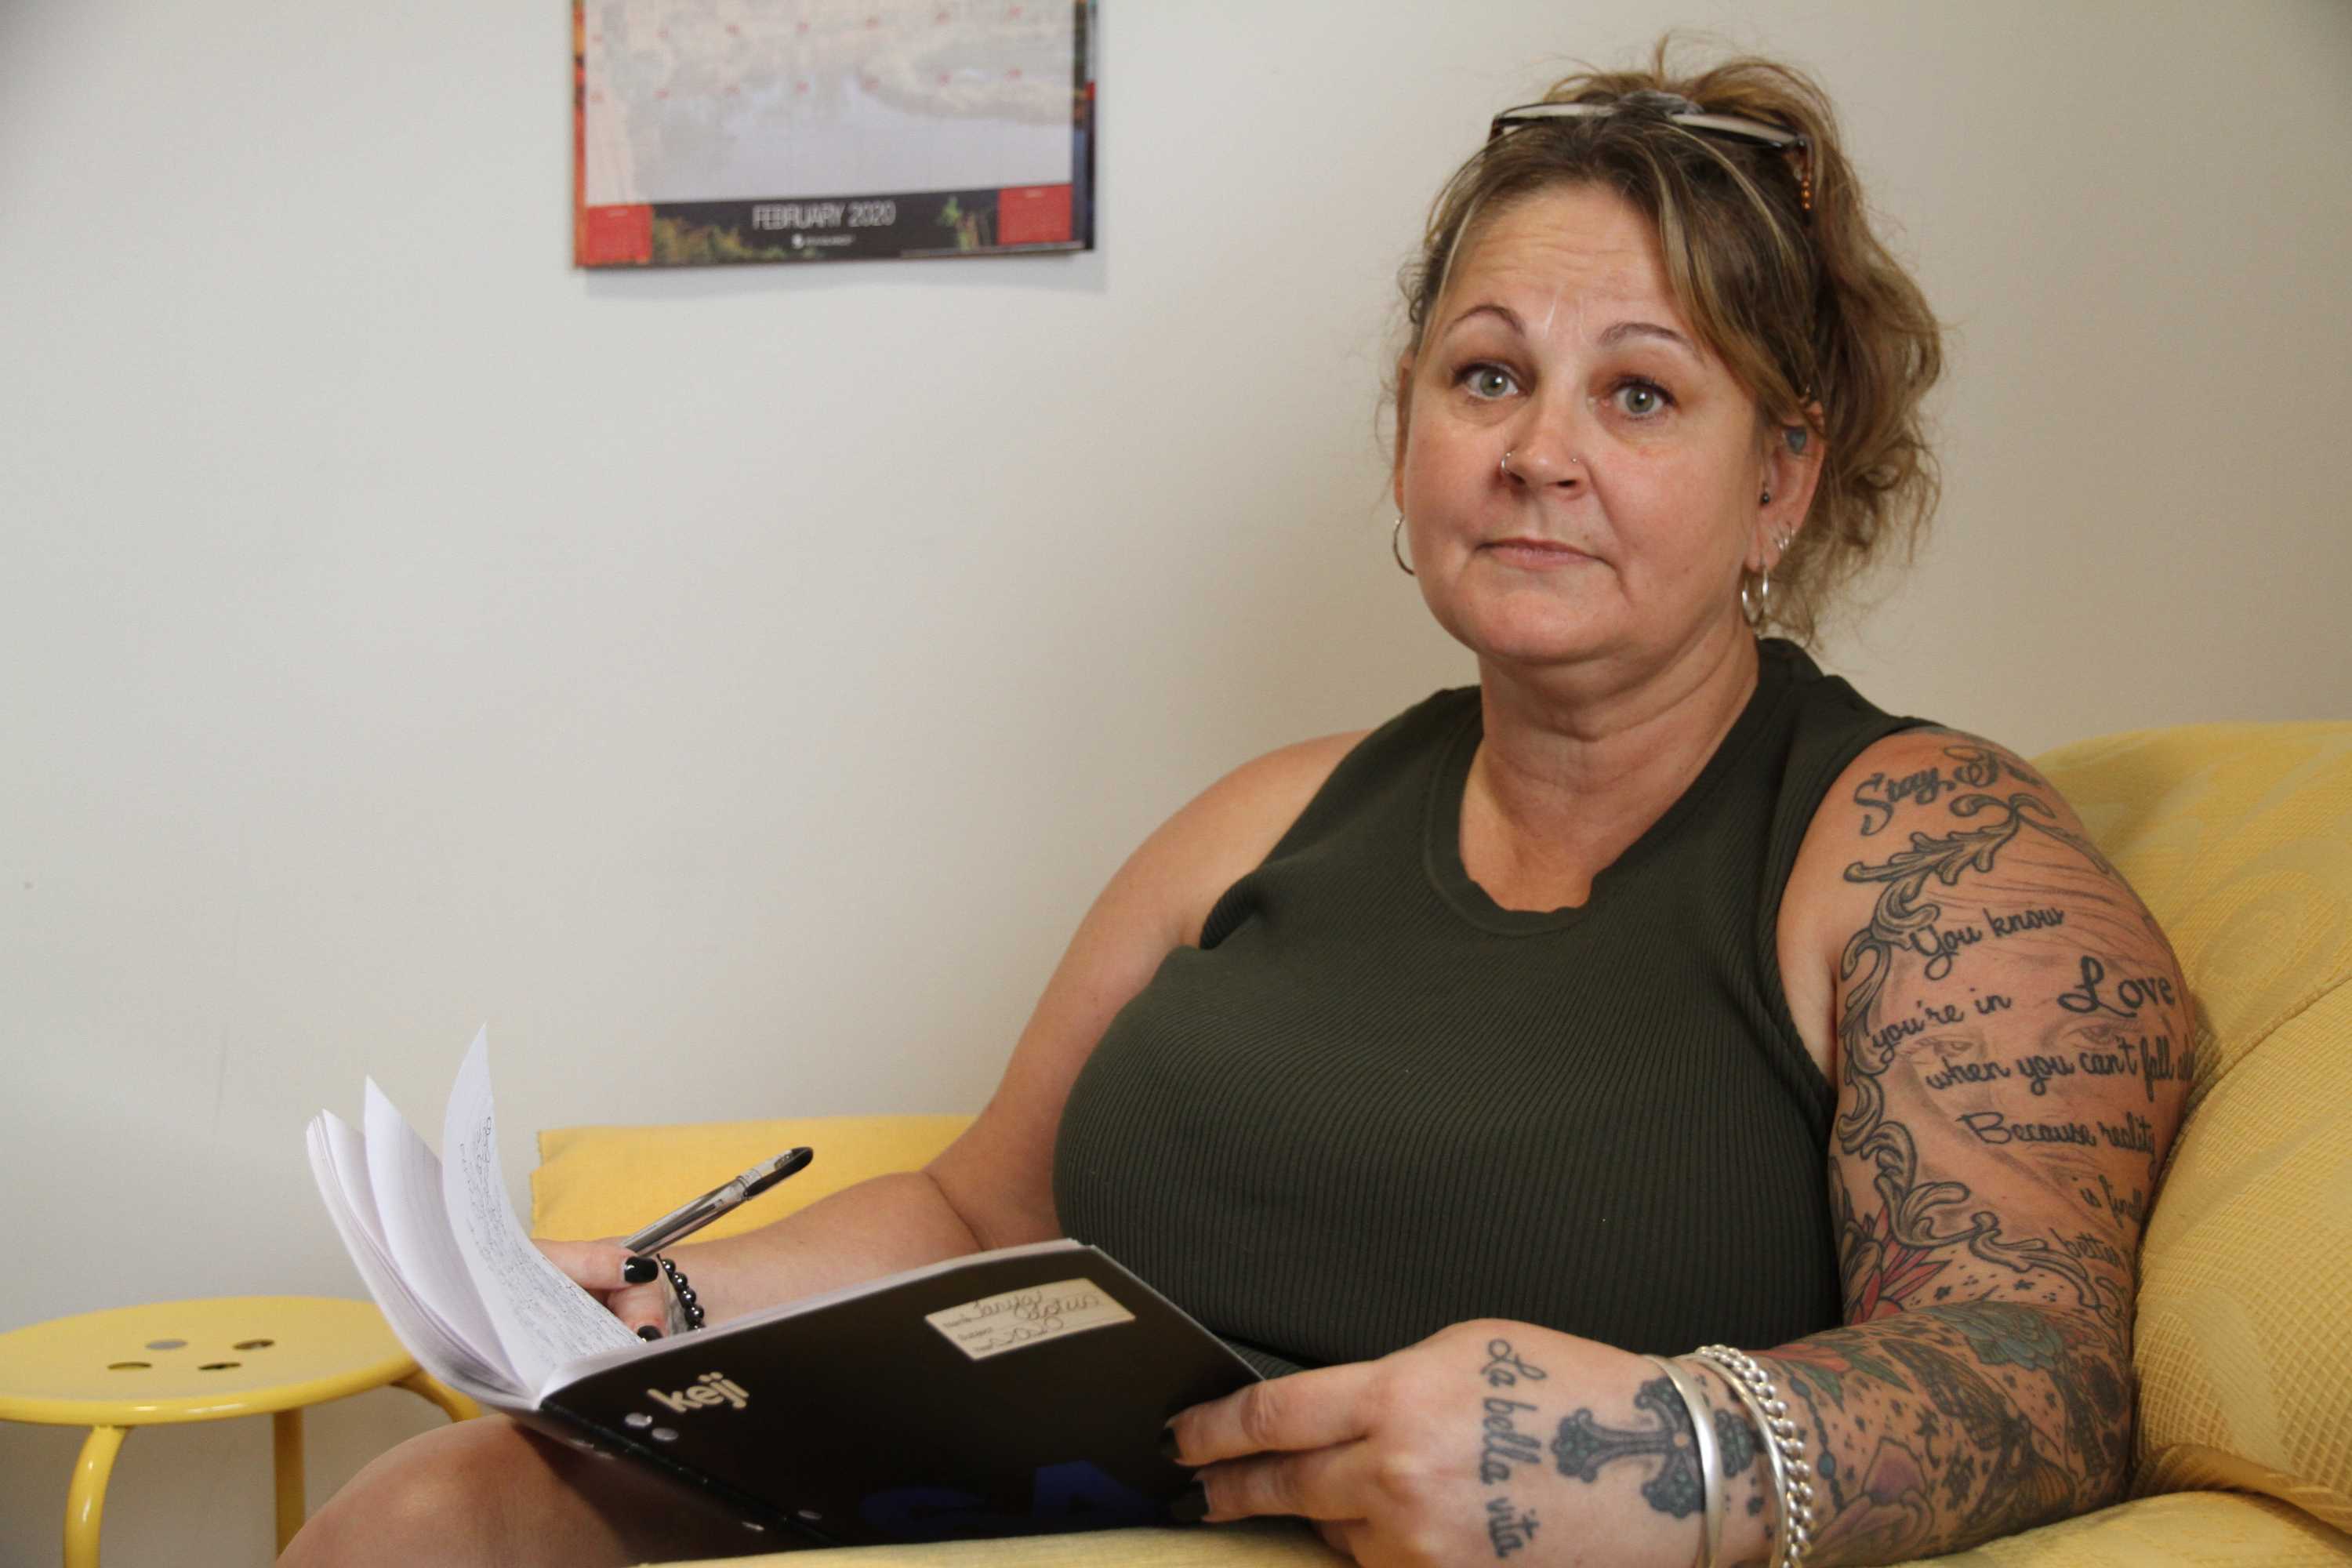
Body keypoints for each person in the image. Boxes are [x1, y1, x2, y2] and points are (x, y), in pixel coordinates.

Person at [285, 42, 2189, 1568]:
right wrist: (665, 1297)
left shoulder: (1933, 850)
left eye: (1640, 396)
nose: (1536, 450)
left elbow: (2036, 1377)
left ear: (1782, 480)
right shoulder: (1267, 821)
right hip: (1052, 1497)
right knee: (423, 1511)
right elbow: (970, 1206)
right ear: (1408, 432)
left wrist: (1656, 1456)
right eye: (1488, 374)